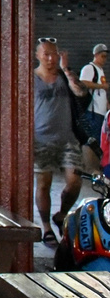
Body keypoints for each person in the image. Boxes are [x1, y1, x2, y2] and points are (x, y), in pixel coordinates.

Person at [35, 38, 87, 248]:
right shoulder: (32, 79)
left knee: (75, 181)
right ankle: (46, 227)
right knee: (44, 183)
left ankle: (62, 213)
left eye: (54, 53)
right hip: (41, 140)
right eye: (46, 54)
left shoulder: (65, 77)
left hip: (68, 138)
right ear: (38, 56)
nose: (50, 58)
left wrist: (66, 70)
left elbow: (81, 93)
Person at [77, 43, 109, 172]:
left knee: (97, 141)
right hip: (92, 111)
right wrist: (102, 86)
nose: (104, 59)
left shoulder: (100, 70)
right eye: (102, 56)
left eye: (106, 57)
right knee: (91, 141)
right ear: (95, 55)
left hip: (100, 112)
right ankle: (89, 167)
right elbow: (83, 83)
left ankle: (93, 166)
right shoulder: (89, 68)